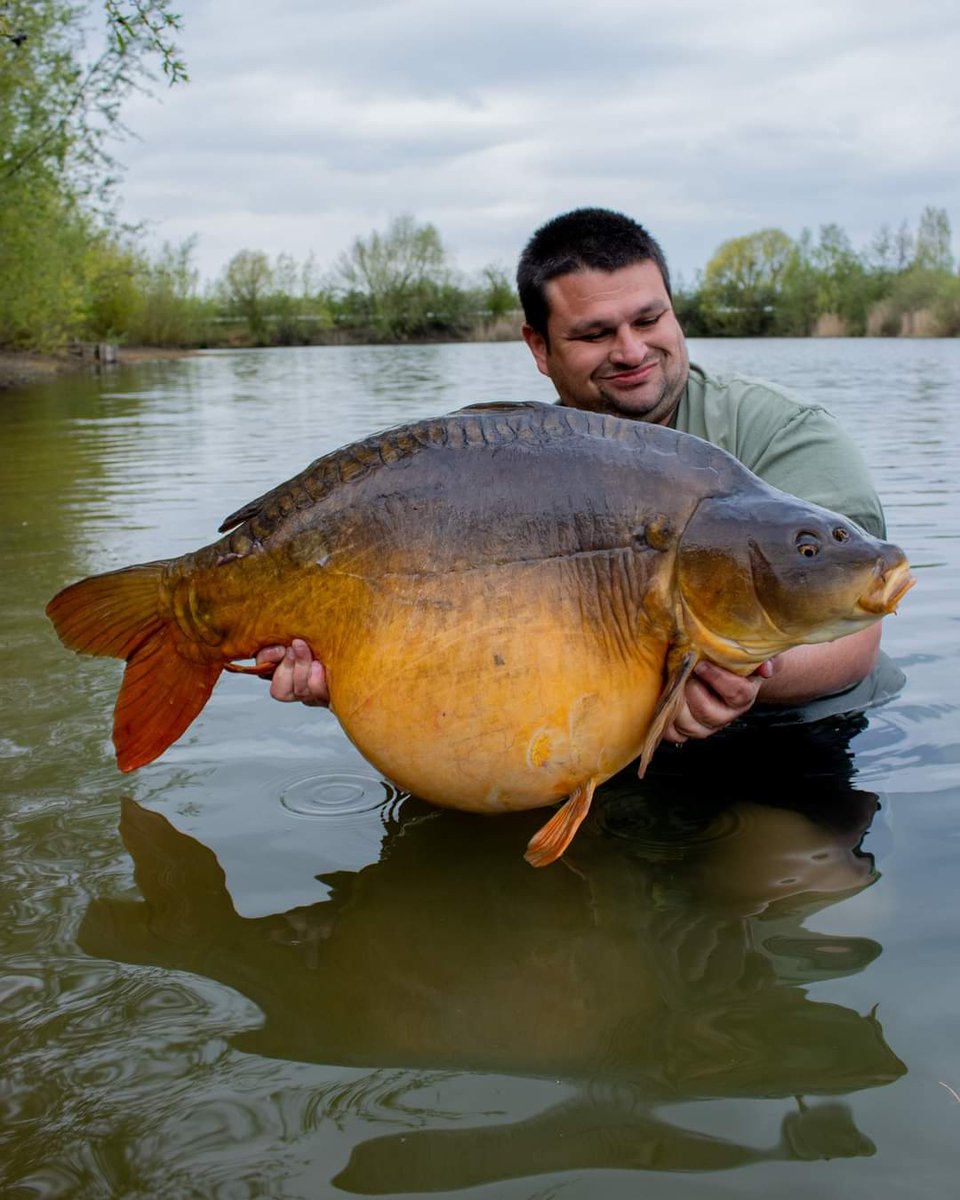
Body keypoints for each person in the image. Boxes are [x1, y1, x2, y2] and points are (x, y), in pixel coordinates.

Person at [259, 207, 889, 746]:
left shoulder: (782, 432)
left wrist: (734, 671)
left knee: (781, 881)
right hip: (588, 736)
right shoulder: (514, 466)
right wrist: (356, 668)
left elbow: (854, 631)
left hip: (790, 740)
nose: (632, 351)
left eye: (648, 320)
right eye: (595, 333)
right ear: (539, 348)